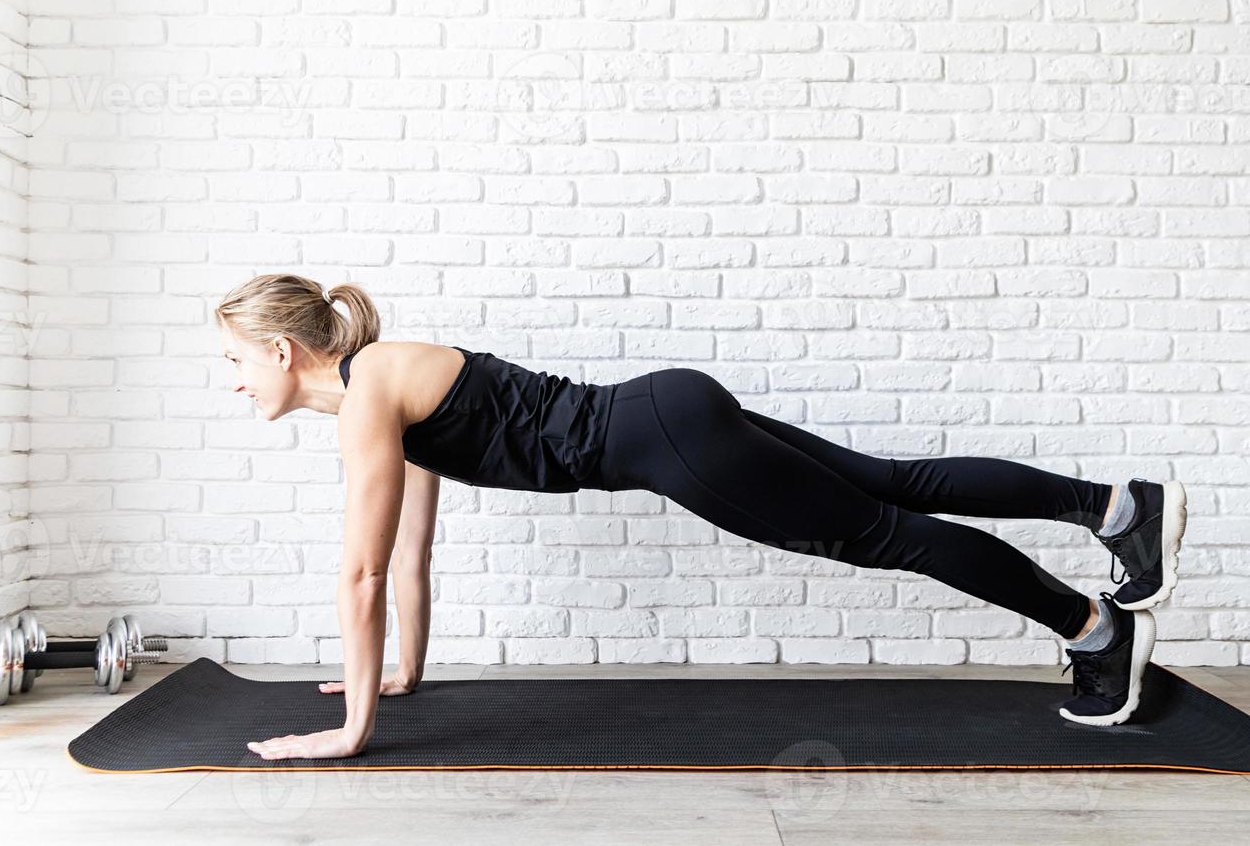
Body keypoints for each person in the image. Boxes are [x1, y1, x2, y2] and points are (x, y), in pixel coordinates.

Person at [215, 274, 1189, 760]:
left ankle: (1096, 629)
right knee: (892, 485)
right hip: (666, 409)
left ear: (283, 349)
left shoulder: (372, 393)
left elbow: (362, 573)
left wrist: (350, 727)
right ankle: (1118, 508)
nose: (233, 380)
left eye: (235, 359)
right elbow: (410, 551)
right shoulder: (376, 393)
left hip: (661, 441)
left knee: (882, 528)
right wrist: (397, 676)